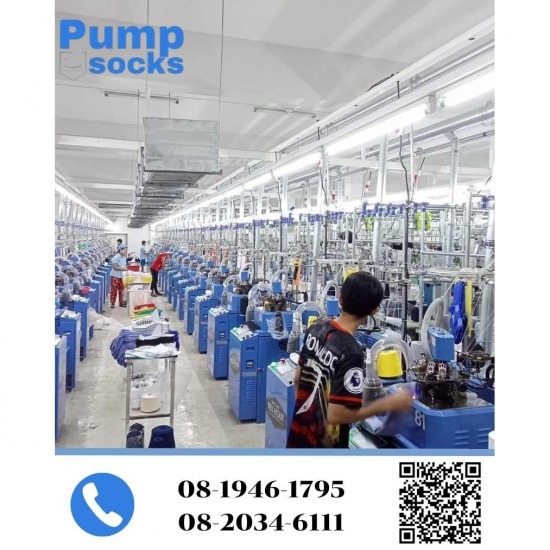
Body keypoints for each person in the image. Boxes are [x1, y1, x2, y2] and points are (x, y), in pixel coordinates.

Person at [286, 272, 413, 448]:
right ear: (374, 310)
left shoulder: (316, 328)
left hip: (298, 436)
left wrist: (308, 415)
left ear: (340, 299)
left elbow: (297, 380)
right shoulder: (351, 353)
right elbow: (336, 415)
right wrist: (387, 404)